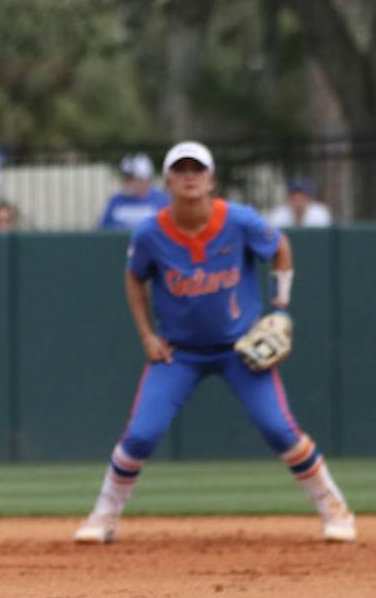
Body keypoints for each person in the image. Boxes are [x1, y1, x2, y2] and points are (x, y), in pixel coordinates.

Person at [75, 141, 355, 545]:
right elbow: (135, 276)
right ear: (168, 182)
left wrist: (280, 306)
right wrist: (147, 335)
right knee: (141, 436)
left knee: (280, 429)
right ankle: (104, 516)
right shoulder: (151, 232)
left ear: (211, 180)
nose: (189, 176)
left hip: (240, 350)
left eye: (197, 169)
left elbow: (280, 247)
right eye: (181, 170)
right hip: (179, 352)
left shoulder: (239, 220)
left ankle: (334, 509)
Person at [98, 152, 170, 230]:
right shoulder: (116, 201)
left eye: (131, 178)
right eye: (125, 178)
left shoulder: (161, 201)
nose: (126, 182)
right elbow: (102, 230)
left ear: (146, 179)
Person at [268, 178, 332, 229]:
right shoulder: (278, 214)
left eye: (302, 198)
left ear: (309, 199)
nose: (298, 203)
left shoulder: (320, 213)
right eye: (294, 198)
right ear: (288, 199)